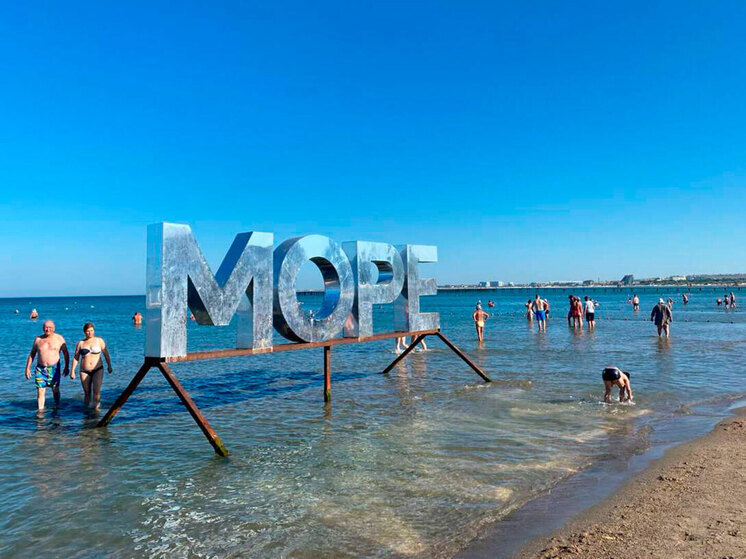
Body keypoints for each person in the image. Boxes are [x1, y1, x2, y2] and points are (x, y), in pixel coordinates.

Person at [24, 320, 70, 411]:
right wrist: (27, 368)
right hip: (40, 369)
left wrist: (66, 367)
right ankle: (40, 411)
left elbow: (66, 353)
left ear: (54, 328)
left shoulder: (59, 339)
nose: (48, 329)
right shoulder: (38, 339)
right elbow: (32, 354)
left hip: (54, 368)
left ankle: (57, 406)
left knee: (55, 389)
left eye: (50, 327)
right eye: (46, 327)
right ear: (43, 328)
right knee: (40, 390)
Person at [70, 322, 113, 410]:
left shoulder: (99, 341)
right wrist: (72, 371)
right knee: (87, 393)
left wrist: (109, 365)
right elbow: (76, 357)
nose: (90, 333)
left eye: (91, 330)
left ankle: (96, 410)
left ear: (94, 331)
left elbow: (106, 354)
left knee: (96, 391)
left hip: (98, 369)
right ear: (84, 332)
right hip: (84, 371)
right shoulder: (81, 343)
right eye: (88, 331)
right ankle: (87, 410)